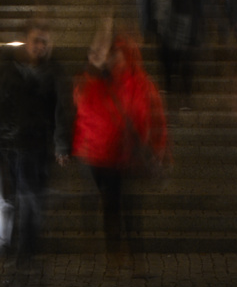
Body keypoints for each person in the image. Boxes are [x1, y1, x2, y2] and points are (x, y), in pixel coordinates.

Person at [72, 23, 167, 258]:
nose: (116, 61)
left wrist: (158, 148)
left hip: (130, 158)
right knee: (113, 209)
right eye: (113, 56)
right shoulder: (100, 82)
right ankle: (115, 255)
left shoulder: (143, 85)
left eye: (120, 56)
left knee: (131, 210)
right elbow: (83, 105)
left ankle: (133, 257)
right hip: (108, 158)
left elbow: (157, 119)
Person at [0, 23, 71, 265]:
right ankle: (6, 246)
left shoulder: (52, 72)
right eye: (37, 40)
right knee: (7, 199)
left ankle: (26, 249)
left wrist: (61, 145)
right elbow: (0, 107)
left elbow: (60, 111)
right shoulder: (11, 70)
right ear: (27, 42)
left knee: (30, 197)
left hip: (36, 146)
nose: (41, 46)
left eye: (45, 41)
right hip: (10, 144)